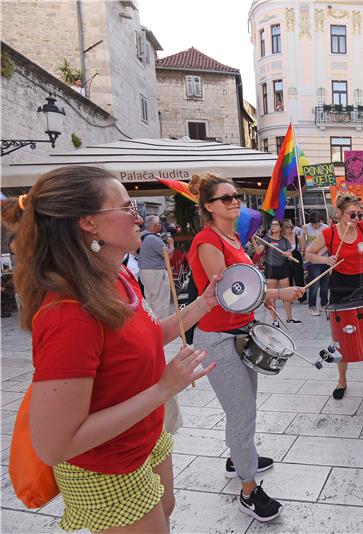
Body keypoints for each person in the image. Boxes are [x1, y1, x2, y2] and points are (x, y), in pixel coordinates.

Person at [0, 166, 218, 533]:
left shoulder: (117, 275)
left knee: (166, 507)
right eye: (126, 207)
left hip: (143, 436)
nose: (138, 217)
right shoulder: (69, 314)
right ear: (89, 223)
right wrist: (164, 389)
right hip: (105, 466)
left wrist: (203, 304)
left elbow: (148, 336)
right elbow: (55, 445)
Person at [187, 173, 304, 522]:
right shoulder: (208, 241)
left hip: (238, 332)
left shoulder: (232, 236)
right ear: (208, 206)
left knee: (244, 407)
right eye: (225, 198)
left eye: (235, 196)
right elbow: (229, 295)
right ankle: (249, 490)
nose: (235, 201)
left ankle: (239, 458)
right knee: (242, 412)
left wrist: (275, 294)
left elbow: (245, 286)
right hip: (218, 338)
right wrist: (275, 295)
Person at [305, 192, 363, 399]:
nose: (356, 217)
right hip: (340, 285)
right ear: (339, 214)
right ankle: (342, 380)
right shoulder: (330, 233)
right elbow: (308, 254)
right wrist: (325, 260)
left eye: (359, 213)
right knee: (342, 335)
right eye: (352, 214)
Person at [256, 219, 300, 326]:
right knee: (272, 297)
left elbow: (290, 255)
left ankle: (289, 319)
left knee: (287, 295)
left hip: (283, 269)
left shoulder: (285, 240)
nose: (273, 226)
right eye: (272, 224)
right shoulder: (267, 239)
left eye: (275, 225)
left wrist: (287, 254)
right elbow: (258, 251)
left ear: (280, 228)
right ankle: (275, 321)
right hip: (271, 269)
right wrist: (253, 239)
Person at [138, 215, 174, 319]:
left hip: (144, 271)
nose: (161, 226)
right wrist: (171, 244)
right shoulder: (153, 239)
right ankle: (162, 328)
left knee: (150, 300)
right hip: (156, 272)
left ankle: (153, 324)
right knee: (161, 301)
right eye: (159, 224)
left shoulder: (140, 236)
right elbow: (168, 256)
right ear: (155, 226)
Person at [303, 211, 330, 316]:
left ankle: (324, 304)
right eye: (313, 224)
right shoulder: (306, 227)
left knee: (325, 284)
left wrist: (319, 254)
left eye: (317, 224)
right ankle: (312, 306)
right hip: (313, 261)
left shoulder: (326, 228)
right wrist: (303, 234)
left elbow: (328, 244)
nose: (314, 226)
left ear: (321, 221)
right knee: (314, 284)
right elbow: (303, 245)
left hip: (325, 258)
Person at [283, 219, 307, 312]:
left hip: (296, 257)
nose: (289, 229)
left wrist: (302, 235)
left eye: (291, 227)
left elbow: (303, 247)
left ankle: (302, 298)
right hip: (285, 259)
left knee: (299, 278)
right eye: (287, 227)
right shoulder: (282, 238)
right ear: (284, 228)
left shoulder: (297, 235)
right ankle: (289, 297)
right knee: (287, 279)